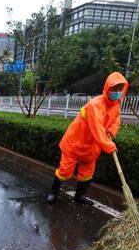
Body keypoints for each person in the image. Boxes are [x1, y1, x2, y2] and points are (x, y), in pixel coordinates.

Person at [46, 72, 129, 205]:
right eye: (114, 89)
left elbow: (115, 120)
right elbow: (96, 128)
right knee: (65, 170)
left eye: (120, 89)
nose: (117, 92)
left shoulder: (116, 105)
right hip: (75, 142)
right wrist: (109, 145)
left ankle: (80, 196)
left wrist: (111, 132)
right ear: (107, 88)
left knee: (87, 172)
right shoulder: (95, 105)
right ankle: (53, 193)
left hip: (92, 146)